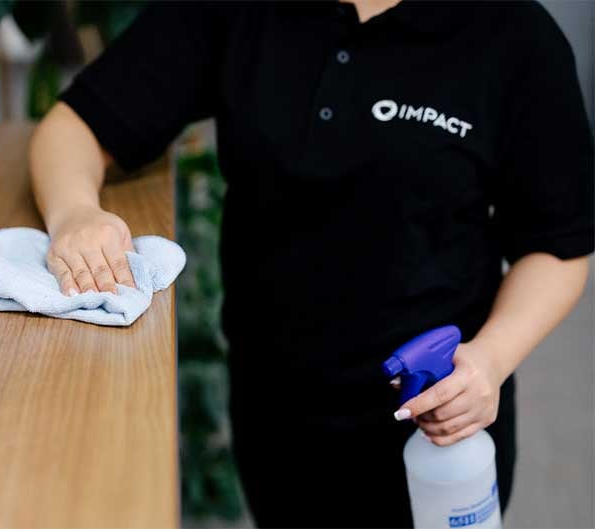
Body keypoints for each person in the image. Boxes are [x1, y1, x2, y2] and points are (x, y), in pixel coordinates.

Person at [29, 1, 593, 526]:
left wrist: (490, 360)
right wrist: (75, 211)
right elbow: (77, 125)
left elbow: (558, 247)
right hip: (277, 412)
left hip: (442, 417)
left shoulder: (514, 35)